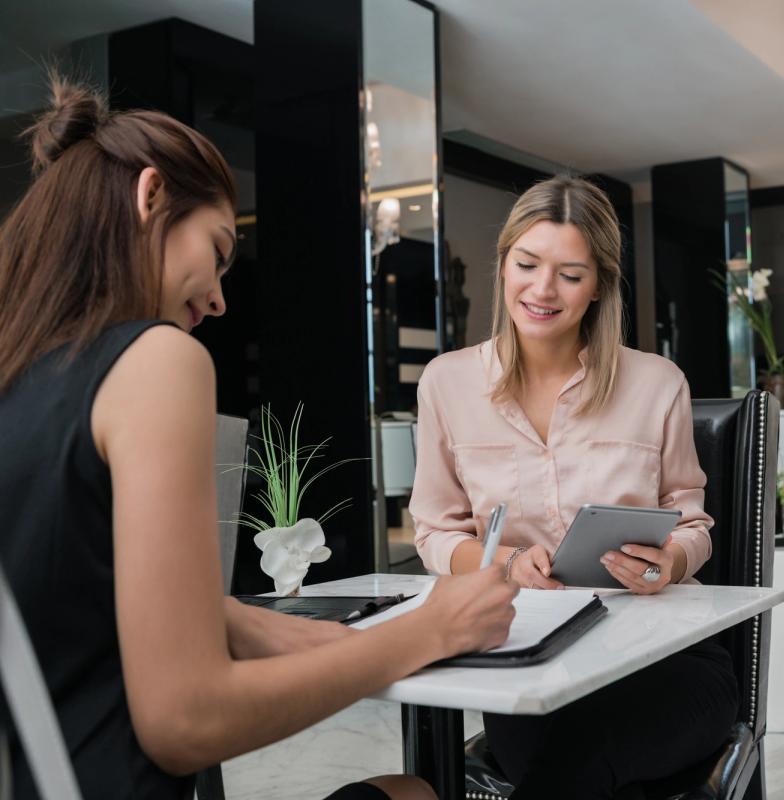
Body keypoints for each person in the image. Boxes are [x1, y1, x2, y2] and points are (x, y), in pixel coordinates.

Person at [0, 77, 519, 800]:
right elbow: (185, 719)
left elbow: (120, 604)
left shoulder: (21, 373)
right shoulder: (153, 360)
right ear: (150, 197)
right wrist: (432, 630)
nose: (217, 299)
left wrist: (315, 636)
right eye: (216, 251)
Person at [410, 175, 740, 799]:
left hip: (664, 654)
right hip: (528, 654)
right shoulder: (446, 384)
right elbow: (435, 532)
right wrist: (506, 563)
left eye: (570, 273)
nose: (542, 289)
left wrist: (668, 561)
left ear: (599, 287)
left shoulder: (658, 384)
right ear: (503, 265)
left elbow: (694, 527)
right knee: (575, 758)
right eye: (527, 264)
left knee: (578, 762)